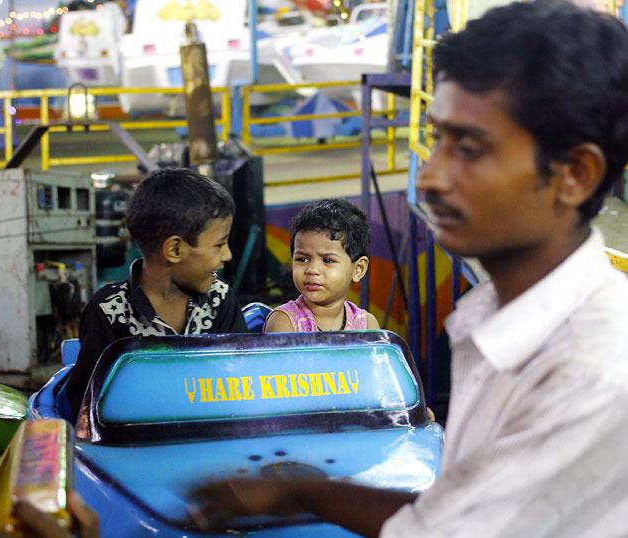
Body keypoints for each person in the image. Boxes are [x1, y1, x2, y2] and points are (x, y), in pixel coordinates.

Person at [189, 2, 628, 536]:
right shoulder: (492, 316)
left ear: (575, 174)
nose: (430, 176)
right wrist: (297, 491)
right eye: (437, 138)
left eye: (467, 148)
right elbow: (454, 515)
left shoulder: (592, 372)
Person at [64, 168, 247, 421]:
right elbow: (87, 406)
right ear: (174, 249)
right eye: (219, 244)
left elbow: (241, 382)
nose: (227, 255)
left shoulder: (220, 299)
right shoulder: (109, 311)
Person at [264, 198, 380, 332]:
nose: (312, 270)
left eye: (328, 260)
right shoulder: (284, 322)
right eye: (302, 259)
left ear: (358, 269)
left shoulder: (366, 325)